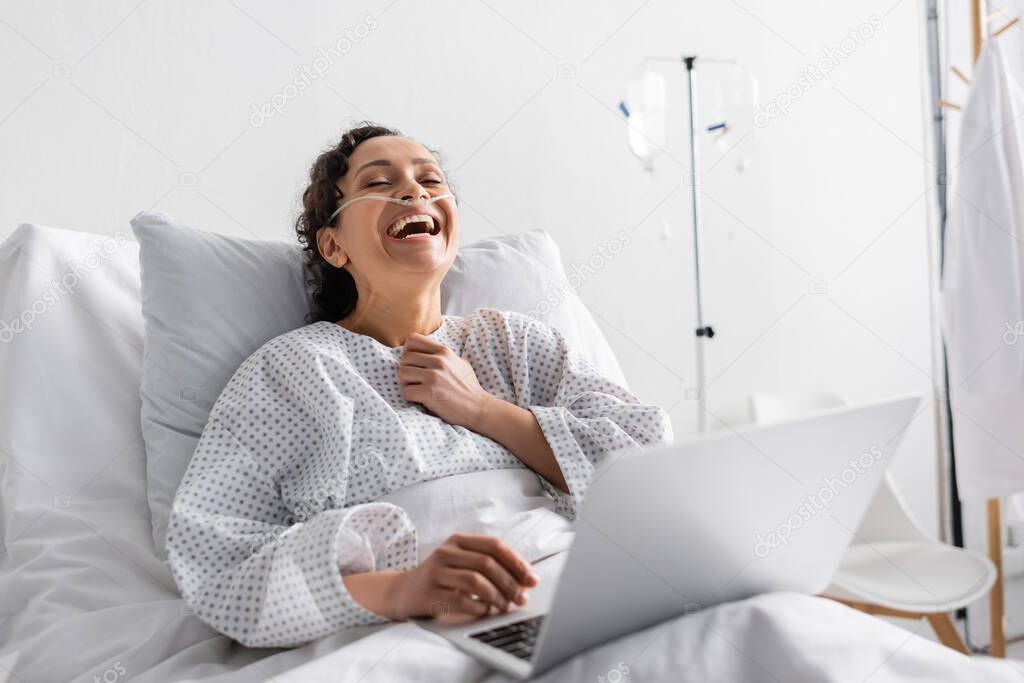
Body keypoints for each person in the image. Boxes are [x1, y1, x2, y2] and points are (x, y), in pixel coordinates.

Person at [165, 123, 674, 648]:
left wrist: (482, 410)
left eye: (430, 180)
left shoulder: (512, 343)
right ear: (334, 245)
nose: (414, 191)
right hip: (419, 627)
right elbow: (218, 564)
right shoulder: (291, 369)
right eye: (379, 183)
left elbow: (646, 463)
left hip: (573, 580)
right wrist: (406, 591)